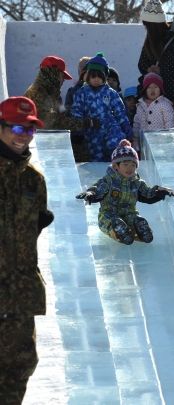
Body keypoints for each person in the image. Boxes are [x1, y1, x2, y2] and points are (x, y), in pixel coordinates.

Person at [0, 96, 53, 403]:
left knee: (20, 364)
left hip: (19, 294)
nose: (22, 135)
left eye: (29, 129)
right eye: (16, 127)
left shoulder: (34, 180)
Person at [76, 139, 174, 245]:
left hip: (129, 213)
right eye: (125, 164)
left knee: (136, 218)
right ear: (116, 166)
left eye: (133, 165)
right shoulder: (108, 181)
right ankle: (118, 231)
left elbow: (148, 194)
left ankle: (140, 229)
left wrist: (161, 191)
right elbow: (97, 189)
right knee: (111, 221)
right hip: (109, 214)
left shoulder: (137, 182)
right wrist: (90, 194)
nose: (130, 168)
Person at [138, 0, 174, 126]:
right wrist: (150, 70)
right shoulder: (150, 39)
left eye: (148, 25)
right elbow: (142, 64)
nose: (146, 28)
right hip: (155, 102)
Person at [71, 53, 132, 162]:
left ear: (105, 77)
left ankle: (118, 168)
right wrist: (79, 129)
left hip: (110, 128)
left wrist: (126, 129)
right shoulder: (81, 93)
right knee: (96, 159)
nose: (96, 79)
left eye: (100, 76)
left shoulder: (110, 93)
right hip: (92, 131)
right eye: (93, 76)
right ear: (87, 76)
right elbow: (77, 112)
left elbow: (120, 112)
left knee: (115, 148)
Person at [132, 72, 174, 152]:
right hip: (144, 143)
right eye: (149, 87)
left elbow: (170, 122)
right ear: (145, 90)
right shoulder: (140, 105)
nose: (152, 90)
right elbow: (137, 123)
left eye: (155, 87)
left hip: (161, 143)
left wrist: (169, 138)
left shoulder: (165, 104)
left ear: (160, 89)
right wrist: (135, 137)